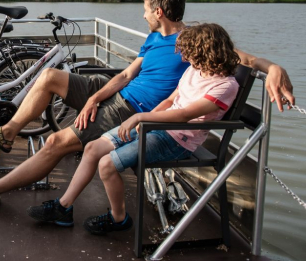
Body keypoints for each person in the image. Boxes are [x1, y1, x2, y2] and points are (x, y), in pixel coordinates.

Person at [0, 0, 295, 211]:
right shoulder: (154, 39)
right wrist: (92, 99)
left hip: (132, 108)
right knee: (52, 75)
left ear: (158, 11)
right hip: (117, 92)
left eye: (145, 9)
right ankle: (9, 132)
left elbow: (245, 60)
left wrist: (274, 67)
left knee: (56, 142)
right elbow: (127, 74)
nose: (142, 14)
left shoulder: (195, 42)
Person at [26, 23, 240, 234]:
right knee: (92, 148)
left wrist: (140, 118)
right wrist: (147, 121)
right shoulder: (195, 71)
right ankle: (64, 207)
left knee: (107, 164)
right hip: (157, 127)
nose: (184, 58)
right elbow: (170, 101)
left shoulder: (225, 86)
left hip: (176, 139)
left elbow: (184, 115)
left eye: (189, 53)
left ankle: (118, 219)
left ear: (204, 51)